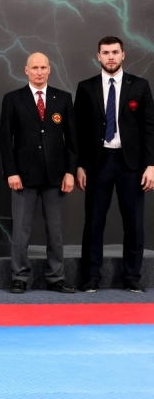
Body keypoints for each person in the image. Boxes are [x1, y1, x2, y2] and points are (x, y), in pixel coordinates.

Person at [75, 36, 154, 293]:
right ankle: (91, 277)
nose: (111, 57)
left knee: (134, 222)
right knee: (94, 222)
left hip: (131, 165)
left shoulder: (139, 86)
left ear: (123, 55)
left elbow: (149, 129)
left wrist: (151, 165)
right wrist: (79, 166)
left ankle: (132, 277)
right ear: (98, 56)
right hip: (98, 163)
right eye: (106, 52)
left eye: (115, 52)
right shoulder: (86, 87)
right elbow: (79, 131)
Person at [0, 52, 77, 294]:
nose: (39, 72)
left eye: (43, 67)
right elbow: (5, 140)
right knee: (21, 231)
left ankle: (56, 277)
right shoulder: (13, 99)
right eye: (35, 68)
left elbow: (72, 140)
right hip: (23, 176)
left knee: (55, 230)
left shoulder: (63, 98)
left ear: (49, 69)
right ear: (26, 70)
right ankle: (19, 276)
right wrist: (11, 172)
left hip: (56, 176)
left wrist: (70, 172)